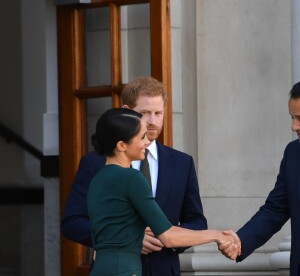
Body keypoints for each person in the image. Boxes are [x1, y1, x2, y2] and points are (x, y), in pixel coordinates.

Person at [61, 76, 208, 276]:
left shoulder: (182, 163)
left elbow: (197, 222)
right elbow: (72, 222)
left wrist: (167, 238)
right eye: (145, 113)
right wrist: (127, 239)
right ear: (127, 112)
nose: (153, 122)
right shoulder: (96, 163)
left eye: (158, 113)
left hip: (164, 269)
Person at [87, 107, 238, 276]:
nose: (147, 142)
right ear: (122, 145)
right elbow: (169, 236)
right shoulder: (132, 178)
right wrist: (217, 235)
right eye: (142, 137)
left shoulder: (97, 179)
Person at [219, 81, 300, 276]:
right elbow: (275, 210)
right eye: (292, 117)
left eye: (299, 118)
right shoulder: (293, 154)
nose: (294, 126)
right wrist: (239, 242)